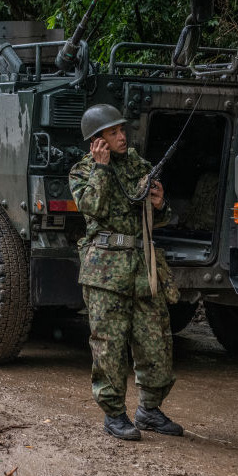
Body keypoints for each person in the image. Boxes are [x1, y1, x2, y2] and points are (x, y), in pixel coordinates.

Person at [69, 104, 183, 441]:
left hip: (142, 267)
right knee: (110, 346)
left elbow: (158, 218)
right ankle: (114, 414)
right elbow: (92, 209)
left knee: (157, 342)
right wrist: (102, 171)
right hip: (105, 272)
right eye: (114, 132)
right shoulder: (82, 172)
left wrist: (161, 205)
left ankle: (149, 409)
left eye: (122, 130)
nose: (122, 136)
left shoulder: (139, 166)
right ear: (97, 140)